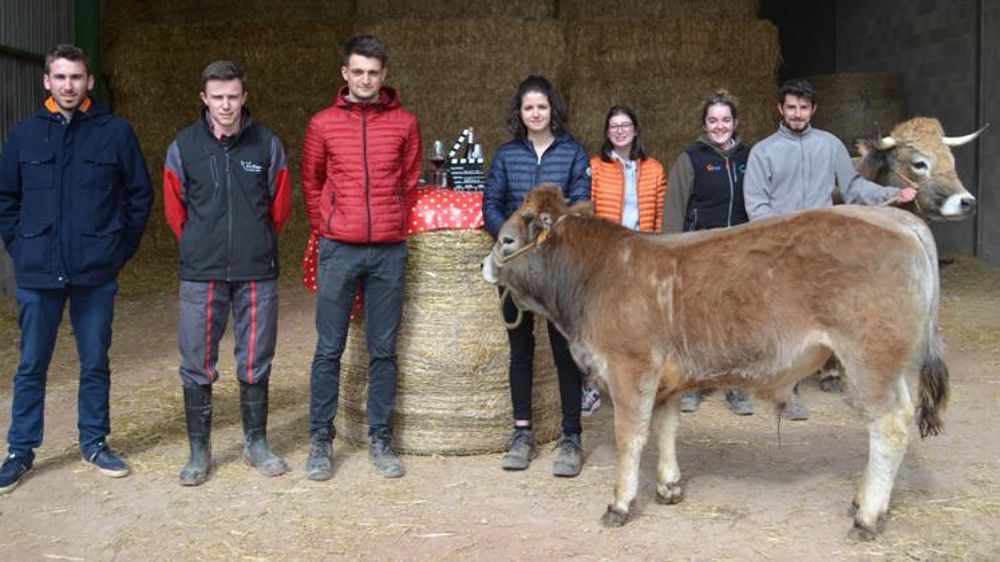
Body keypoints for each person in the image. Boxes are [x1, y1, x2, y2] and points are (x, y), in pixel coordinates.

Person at [0, 44, 153, 493]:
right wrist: (21, 247)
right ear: (46, 81)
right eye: (61, 77)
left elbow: (139, 196)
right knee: (32, 364)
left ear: (89, 82)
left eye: (76, 77)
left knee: (95, 361)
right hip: (38, 272)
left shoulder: (115, 133)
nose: (69, 86)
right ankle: (20, 451)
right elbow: (6, 198)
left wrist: (117, 251)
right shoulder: (25, 134)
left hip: (94, 272)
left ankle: (94, 442)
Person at [742, 79, 917, 420]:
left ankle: (838, 374)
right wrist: (782, 239)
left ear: (813, 110)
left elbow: (853, 187)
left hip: (823, 250)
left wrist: (891, 195)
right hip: (782, 250)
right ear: (780, 109)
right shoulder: (763, 151)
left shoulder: (830, 145)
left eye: (803, 108)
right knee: (786, 322)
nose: (797, 114)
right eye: (791, 107)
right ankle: (787, 393)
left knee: (827, 314)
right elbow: (757, 204)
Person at [163, 60, 292, 486]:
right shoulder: (183, 146)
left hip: (256, 270)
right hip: (202, 272)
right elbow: (175, 210)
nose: (225, 105)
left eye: (233, 97)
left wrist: (255, 241)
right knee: (196, 360)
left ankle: (256, 443)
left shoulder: (267, 145)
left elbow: (280, 208)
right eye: (217, 97)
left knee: (256, 357)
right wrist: (201, 244)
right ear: (204, 98)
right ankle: (200, 452)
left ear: (244, 97)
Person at [301, 35, 421, 480]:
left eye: (373, 72)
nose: (366, 80)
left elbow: (409, 180)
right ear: (345, 74)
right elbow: (312, 181)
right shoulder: (323, 124)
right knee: (328, 348)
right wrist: (328, 226)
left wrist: (392, 218)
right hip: (339, 248)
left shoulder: (405, 123)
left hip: (388, 249)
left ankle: (380, 438)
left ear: (384, 75)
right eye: (358, 72)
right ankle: (320, 440)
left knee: (383, 349)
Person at [483, 74, 591, 477]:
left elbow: (581, 203)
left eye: (541, 107)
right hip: (517, 268)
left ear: (552, 110)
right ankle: (522, 433)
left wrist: (551, 235)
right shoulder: (507, 155)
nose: (535, 113)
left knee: (564, 351)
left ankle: (571, 436)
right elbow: (491, 203)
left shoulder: (573, 153)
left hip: (558, 267)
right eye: (528, 107)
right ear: (520, 112)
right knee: (521, 349)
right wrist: (510, 239)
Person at [663, 90, 755, 416]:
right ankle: (693, 385)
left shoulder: (749, 157)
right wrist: (671, 252)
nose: (720, 126)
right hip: (700, 252)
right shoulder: (691, 159)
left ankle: (735, 386)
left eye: (726, 120)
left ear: (735, 123)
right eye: (713, 120)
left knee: (736, 319)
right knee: (697, 320)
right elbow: (674, 207)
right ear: (704, 124)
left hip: (740, 252)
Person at [587, 105, 667, 415]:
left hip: (641, 253)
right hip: (607, 255)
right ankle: (593, 385)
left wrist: (656, 251)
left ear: (635, 130)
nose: (620, 131)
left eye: (625, 125)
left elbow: (659, 215)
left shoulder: (654, 169)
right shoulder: (596, 167)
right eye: (614, 126)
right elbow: (589, 212)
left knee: (640, 322)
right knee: (600, 323)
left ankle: (641, 383)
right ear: (607, 133)